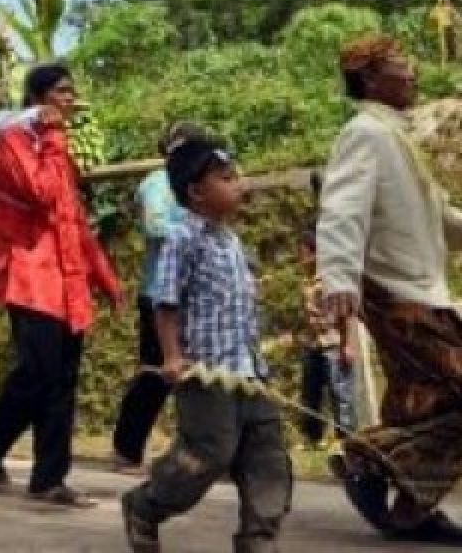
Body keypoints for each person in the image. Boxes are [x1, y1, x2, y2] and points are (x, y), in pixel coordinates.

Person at [318, 33, 462, 543]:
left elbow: (438, 215)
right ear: (372, 78)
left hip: (420, 288)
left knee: (421, 401)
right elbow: (341, 207)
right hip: (399, 293)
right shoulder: (365, 134)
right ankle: (366, 458)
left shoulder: (393, 136)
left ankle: (410, 509)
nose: (413, 72)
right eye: (402, 63)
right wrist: (338, 277)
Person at [0, 63, 123, 507]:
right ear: (37, 98)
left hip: (67, 281)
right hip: (28, 276)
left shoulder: (57, 147)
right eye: (61, 92)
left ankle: (49, 480)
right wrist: (51, 137)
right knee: (39, 374)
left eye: (72, 92)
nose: (70, 99)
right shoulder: (12, 142)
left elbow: (74, 220)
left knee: (63, 382)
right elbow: (41, 193)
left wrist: (104, 276)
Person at [122, 137, 292, 553]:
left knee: (268, 458)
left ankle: (258, 540)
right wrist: (172, 356)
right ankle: (146, 505)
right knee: (209, 455)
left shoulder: (231, 242)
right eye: (227, 179)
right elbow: (165, 302)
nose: (239, 185)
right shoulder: (181, 238)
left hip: (248, 373)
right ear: (197, 192)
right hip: (206, 375)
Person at [111, 121, 208, 473]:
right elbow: (154, 225)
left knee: (203, 374)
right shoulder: (158, 183)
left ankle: (207, 451)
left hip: (195, 295)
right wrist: (196, 231)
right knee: (156, 373)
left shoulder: (198, 186)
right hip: (161, 293)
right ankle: (126, 448)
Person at [294, 229, 355, 452]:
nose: (301, 258)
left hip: (333, 342)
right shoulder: (306, 281)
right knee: (310, 392)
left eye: (303, 253)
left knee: (340, 392)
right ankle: (312, 437)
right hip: (313, 343)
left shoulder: (329, 279)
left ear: (315, 253)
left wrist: (346, 344)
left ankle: (346, 438)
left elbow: (344, 312)